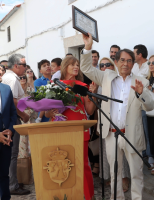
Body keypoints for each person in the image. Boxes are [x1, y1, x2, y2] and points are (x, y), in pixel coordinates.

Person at [81, 33, 154, 200]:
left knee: (136, 174)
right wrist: (87, 47)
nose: (125, 63)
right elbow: (86, 68)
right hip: (111, 134)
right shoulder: (106, 77)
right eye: (122, 60)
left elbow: (150, 106)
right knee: (115, 174)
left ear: (133, 63)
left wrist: (142, 94)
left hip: (132, 135)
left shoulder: (141, 81)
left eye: (129, 60)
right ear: (116, 61)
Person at [45, 56, 97, 200]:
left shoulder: (83, 85)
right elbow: (47, 112)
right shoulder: (55, 84)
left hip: (81, 128)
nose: (76, 67)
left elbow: (90, 110)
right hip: (60, 128)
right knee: (64, 165)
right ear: (65, 66)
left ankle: (87, 196)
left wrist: (94, 94)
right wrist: (51, 112)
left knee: (82, 164)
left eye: (77, 65)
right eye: (72, 64)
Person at [98, 57, 131, 192]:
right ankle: (111, 179)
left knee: (121, 155)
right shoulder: (99, 81)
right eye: (102, 65)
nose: (105, 67)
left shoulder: (119, 81)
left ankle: (124, 179)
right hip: (105, 121)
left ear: (113, 66)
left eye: (108, 64)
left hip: (120, 121)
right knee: (108, 154)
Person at [2, 54, 30, 195]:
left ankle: (11, 182)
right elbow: (12, 101)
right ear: (16, 65)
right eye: (24, 65)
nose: (26, 68)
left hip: (9, 119)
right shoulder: (12, 79)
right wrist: (24, 115)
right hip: (12, 119)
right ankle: (12, 185)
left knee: (10, 154)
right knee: (13, 154)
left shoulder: (9, 77)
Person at [0, 82, 17, 200]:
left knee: (4, 174)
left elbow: (13, 113)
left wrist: (10, 130)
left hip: (6, 138)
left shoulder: (6, 88)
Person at [18, 74, 37, 158]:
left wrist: (29, 110)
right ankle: (24, 162)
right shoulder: (16, 90)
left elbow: (35, 104)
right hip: (20, 118)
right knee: (22, 142)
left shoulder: (30, 89)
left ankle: (34, 161)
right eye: (20, 78)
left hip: (31, 118)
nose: (22, 79)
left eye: (24, 77)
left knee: (33, 141)